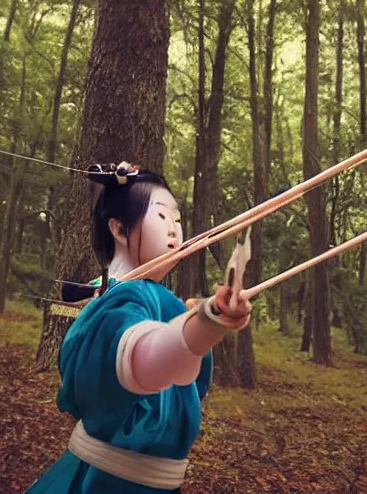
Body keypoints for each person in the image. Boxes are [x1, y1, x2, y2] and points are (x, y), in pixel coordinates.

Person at [26, 163, 251, 493]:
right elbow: (142, 358)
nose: (175, 231)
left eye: (177, 220)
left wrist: (199, 319)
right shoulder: (123, 299)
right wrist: (207, 320)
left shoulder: (143, 295)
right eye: (162, 218)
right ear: (118, 229)